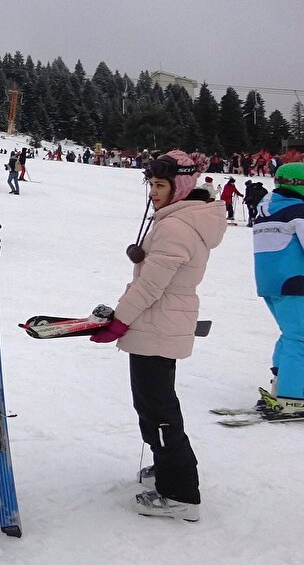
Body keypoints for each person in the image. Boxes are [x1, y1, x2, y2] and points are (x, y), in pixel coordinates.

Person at [89, 150, 223, 522]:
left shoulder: (177, 226)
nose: (153, 192)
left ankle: (180, 492)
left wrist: (119, 322)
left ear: (180, 186)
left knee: (157, 409)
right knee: (156, 403)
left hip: (156, 323)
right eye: (150, 183)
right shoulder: (180, 217)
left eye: (160, 185)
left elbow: (150, 287)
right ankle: (169, 467)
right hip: (158, 323)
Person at [252, 161, 304, 416]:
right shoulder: (299, 210)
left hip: (270, 284)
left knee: (291, 334)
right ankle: (293, 398)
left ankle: (280, 384)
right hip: (295, 281)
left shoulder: (267, 210)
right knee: (300, 338)